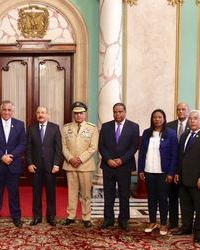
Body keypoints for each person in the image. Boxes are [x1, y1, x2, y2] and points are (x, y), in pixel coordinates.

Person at [173, 110, 200, 243]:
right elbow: (181, 157)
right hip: (184, 178)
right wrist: (177, 173)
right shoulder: (185, 134)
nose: (192, 121)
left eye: (196, 118)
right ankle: (186, 227)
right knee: (185, 205)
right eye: (190, 118)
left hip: (199, 179)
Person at [0, 100, 26, 228]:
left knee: (14, 192)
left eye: (9, 110)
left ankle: (16, 217)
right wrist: (2, 156)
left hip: (13, 164)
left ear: (12, 111)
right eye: (4, 110)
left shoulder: (19, 124)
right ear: (0, 110)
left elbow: (23, 144)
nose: (7, 112)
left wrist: (11, 156)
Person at [98, 103, 139, 231]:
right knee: (108, 194)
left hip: (124, 166)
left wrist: (122, 160)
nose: (117, 114)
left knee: (124, 194)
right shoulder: (105, 126)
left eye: (120, 111)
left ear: (125, 112)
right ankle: (108, 219)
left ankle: (123, 220)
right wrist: (108, 159)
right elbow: (101, 146)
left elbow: (134, 146)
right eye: (115, 112)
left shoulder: (133, 127)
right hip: (108, 166)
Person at [138, 109, 178, 236]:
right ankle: (152, 221)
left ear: (164, 119)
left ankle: (164, 223)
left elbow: (174, 155)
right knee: (151, 198)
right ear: (152, 119)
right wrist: (140, 169)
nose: (157, 119)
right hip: (149, 170)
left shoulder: (171, 134)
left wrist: (171, 173)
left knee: (162, 198)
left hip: (164, 172)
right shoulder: (146, 133)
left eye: (160, 117)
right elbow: (142, 153)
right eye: (155, 117)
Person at [61, 101, 98, 228]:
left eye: (81, 113)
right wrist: (71, 158)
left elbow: (93, 147)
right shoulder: (66, 128)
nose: (78, 116)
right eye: (76, 113)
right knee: (72, 192)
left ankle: (86, 217)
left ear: (85, 114)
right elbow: (63, 147)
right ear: (73, 114)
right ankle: (70, 216)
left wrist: (80, 159)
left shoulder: (92, 128)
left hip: (85, 166)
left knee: (86, 193)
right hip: (70, 165)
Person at [26, 106, 62, 226]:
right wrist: (30, 163)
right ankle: (37, 217)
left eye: (43, 113)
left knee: (51, 193)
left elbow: (58, 148)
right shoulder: (31, 129)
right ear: (36, 115)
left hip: (50, 167)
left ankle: (51, 217)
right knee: (36, 193)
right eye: (38, 113)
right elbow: (28, 148)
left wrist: (56, 164)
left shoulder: (55, 128)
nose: (40, 115)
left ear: (47, 114)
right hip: (36, 167)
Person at [165, 102, 190, 229]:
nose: (180, 112)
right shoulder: (169, 126)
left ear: (188, 111)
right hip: (172, 167)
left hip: (188, 169)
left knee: (186, 199)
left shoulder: (193, 125)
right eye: (178, 109)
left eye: (183, 109)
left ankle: (187, 224)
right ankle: (173, 222)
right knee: (172, 197)